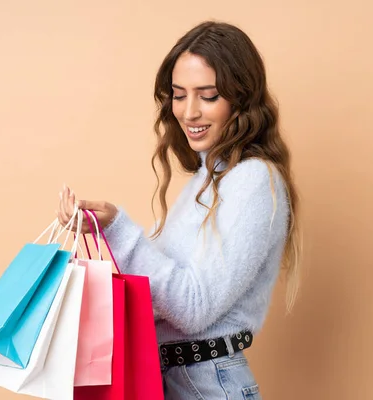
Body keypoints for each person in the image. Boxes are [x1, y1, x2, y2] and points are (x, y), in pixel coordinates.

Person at [56, 20, 301, 400]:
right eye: (178, 94)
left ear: (241, 98)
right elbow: (158, 289)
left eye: (208, 95)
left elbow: (192, 307)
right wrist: (99, 231)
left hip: (206, 383)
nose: (188, 113)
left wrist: (120, 228)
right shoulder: (208, 178)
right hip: (176, 378)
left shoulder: (253, 181)